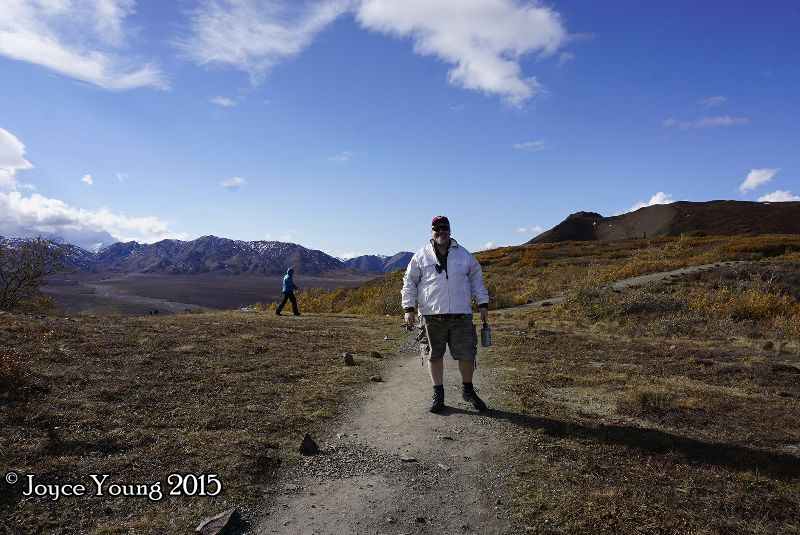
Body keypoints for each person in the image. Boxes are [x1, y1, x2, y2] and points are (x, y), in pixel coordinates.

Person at [401, 215, 490, 413]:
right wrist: (408, 309)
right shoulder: (420, 256)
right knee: (434, 355)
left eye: (444, 228)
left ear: (450, 230)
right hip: (431, 315)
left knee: (467, 353)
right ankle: (438, 393)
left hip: (461, 314)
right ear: (431, 232)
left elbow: (477, 280)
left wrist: (482, 303)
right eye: (437, 228)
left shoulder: (465, 255)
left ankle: (468, 390)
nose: (441, 231)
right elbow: (409, 283)